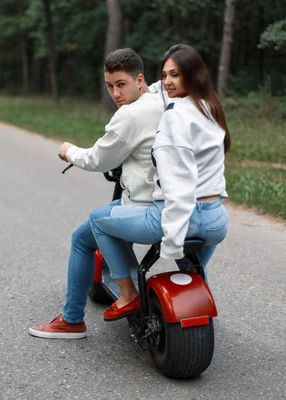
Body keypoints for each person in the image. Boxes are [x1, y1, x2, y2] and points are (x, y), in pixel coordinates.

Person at [28, 48, 165, 339]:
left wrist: (69, 151)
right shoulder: (160, 98)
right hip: (170, 202)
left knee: (82, 238)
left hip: (141, 206)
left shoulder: (129, 114)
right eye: (110, 86)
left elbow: (98, 159)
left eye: (121, 85)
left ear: (139, 80)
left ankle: (73, 319)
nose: (115, 93)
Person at [88, 44, 231, 321]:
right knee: (192, 266)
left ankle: (128, 294)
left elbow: (178, 190)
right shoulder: (209, 108)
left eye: (175, 75)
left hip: (180, 216)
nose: (167, 82)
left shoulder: (173, 118)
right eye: (164, 75)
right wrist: (147, 86)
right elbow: (162, 88)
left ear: (192, 76)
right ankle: (196, 302)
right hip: (216, 220)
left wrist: (173, 241)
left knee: (97, 220)